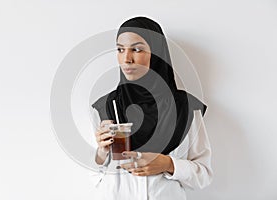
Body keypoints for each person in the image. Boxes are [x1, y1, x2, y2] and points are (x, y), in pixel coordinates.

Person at [91, 16, 213, 200]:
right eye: (120, 49)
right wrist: (101, 152)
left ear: (156, 53)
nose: (126, 59)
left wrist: (168, 164)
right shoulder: (105, 108)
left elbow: (204, 175)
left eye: (137, 49)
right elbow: (93, 175)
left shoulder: (186, 109)